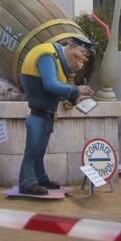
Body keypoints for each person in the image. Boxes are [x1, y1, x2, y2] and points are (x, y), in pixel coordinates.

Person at [18, 37, 95, 195]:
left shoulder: (59, 62)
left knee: (39, 150)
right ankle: (27, 182)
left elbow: (57, 91)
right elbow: (51, 85)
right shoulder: (48, 55)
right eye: (80, 54)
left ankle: (40, 178)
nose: (80, 62)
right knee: (32, 151)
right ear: (71, 46)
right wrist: (76, 90)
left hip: (47, 115)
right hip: (38, 115)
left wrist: (74, 98)